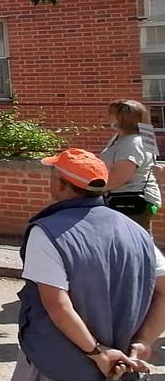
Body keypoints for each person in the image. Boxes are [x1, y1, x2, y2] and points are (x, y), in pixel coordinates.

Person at [13, 147, 165, 381]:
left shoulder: (47, 233)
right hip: (122, 363)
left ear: (61, 184)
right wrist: (143, 341)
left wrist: (97, 352)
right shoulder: (137, 232)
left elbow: (58, 306)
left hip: (58, 364)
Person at [99, 99, 161, 229]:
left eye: (112, 113)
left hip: (133, 200)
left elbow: (121, 176)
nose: (108, 116)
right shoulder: (119, 138)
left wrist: (94, 190)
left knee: (133, 241)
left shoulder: (133, 142)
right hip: (123, 197)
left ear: (123, 118)